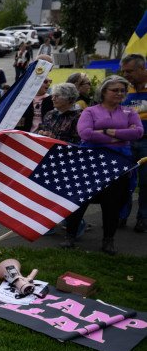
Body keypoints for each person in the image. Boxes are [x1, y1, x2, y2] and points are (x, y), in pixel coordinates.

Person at [63, 76, 143, 254]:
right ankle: (70, 236)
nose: (120, 93)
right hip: (90, 162)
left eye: (123, 90)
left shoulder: (130, 112)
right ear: (104, 91)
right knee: (80, 199)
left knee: (112, 203)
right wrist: (120, 136)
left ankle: (108, 240)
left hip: (118, 164)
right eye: (115, 90)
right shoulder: (90, 111)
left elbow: (138, 132)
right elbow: (85, 133)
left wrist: (107, 131)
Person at [119, 53, 147, 232]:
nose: (126, 75)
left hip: (146, 142)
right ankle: (121, 216)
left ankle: (143, 218)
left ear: (142, 69)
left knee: (146, 183)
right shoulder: (123, 89)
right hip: (125, 142)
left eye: (130, 71)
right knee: (124, 181)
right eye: (124, 72)